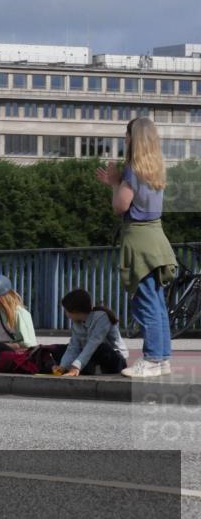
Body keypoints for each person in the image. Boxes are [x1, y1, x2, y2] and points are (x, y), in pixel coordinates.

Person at [96, 117, 176, 378]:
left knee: (146, 303)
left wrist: (114, 183)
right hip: (157, 237)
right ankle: (162, 359)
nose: (124, 139)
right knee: (157, 303)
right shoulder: (154, 169)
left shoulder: (132, 170)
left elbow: (121, 206)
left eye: (127, 134)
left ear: (135, 139)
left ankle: (151, 359)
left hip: (139, 239)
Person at [51, 289, 128, 376]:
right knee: (61, 350)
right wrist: (62, 367)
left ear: (75, 310)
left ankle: (90, 369)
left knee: (101, 348)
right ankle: (91, 369)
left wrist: (76, 366)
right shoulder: (77, 323)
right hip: (93, 357)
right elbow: (73, 347)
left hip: (115, 359)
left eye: (66, 311)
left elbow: (93, 344)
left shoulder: (102, 318)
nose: (66, 314)